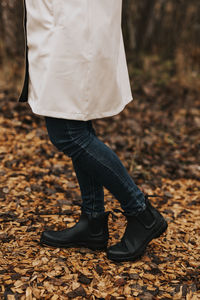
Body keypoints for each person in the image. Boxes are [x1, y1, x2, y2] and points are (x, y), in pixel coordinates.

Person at [17, 0, 167, 262]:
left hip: (73, 26)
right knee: (75, 122)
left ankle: (141, 213)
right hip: (68, 23)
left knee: (67, 132)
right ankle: (94, 221)